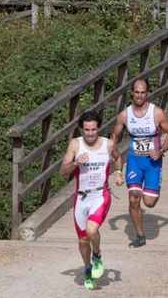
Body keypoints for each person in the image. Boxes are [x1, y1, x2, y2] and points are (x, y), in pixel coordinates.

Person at [59, 111, 124, 290]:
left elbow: (118, 157)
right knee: (82, 240)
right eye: (87, 130)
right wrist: (76, 162)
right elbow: (62, 171)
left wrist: (119, 173)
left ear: (98, 128)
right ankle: (88, 270)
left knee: (91, 229)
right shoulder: (75, 144)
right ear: (82, 129)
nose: (90, 133)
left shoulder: (108, 144)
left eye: (93, 129)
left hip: (100, 195)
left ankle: (97, 256)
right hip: (81, 197)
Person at [111, 79, 168, 248]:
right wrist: (114, 156)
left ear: (147, 93)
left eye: (143, 92)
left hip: (152, 162)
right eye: (136, 92)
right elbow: (114, 137)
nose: (139, 96)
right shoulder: (125, 115)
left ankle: (153, 189)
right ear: (132, 93)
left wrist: (161, 150)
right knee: (133, 199)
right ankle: (140, 235)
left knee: (149, 202)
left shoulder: (157, 113)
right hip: (134, 160)